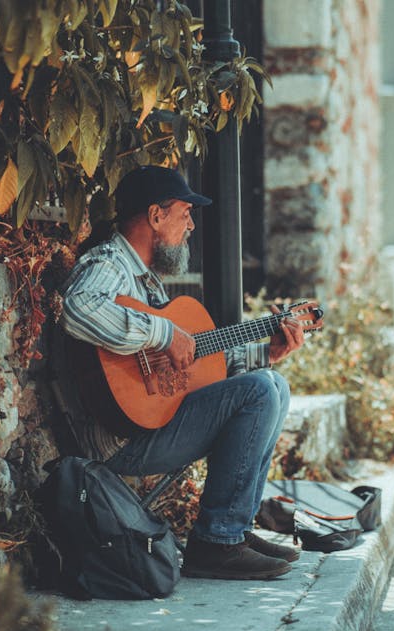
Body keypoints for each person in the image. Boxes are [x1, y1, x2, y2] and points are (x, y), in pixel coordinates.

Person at [60, 165, 308, 581]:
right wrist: (161, 332)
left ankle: (234, 532)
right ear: (156, 216)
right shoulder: (109, 263)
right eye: (184, 213)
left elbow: (192, 369)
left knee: (273, 386)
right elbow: (78, 308)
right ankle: (217, 544)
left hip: (152, 424)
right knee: (262, 392)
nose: (191, 225)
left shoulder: (148, 283)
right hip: (120, 439)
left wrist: (268, 352)